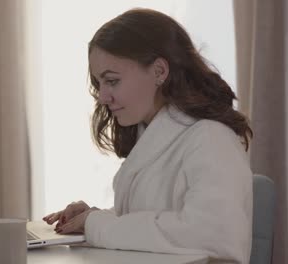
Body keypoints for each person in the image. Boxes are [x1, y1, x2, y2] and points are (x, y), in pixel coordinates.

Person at [43, 8, 253, 264]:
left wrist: (98, 225)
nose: (102, 97)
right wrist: (91, 217)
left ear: (159, 71)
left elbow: (212, 235)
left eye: (112, 81)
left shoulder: (212, 139)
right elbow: (153, 223)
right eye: (100, 84)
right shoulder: (152, 136)